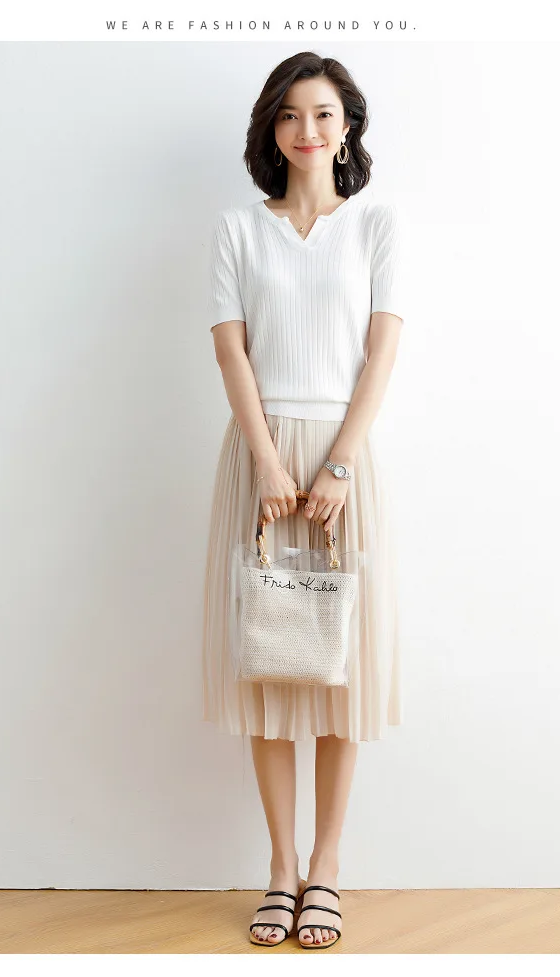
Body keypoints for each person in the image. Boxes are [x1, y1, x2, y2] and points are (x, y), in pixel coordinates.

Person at [202, 51, 404, 950]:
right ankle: (280, 868)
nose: (307, 129)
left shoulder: (377, 226)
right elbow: (231, 351)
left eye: (322, 113)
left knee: (338, 667)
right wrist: (266, 463)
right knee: (270, 661)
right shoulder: (238, 230)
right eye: (289, 114)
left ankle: (327, 865)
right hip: (262, 461)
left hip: (341, 461)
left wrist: (339, 464)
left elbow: (382, 352)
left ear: (347, 125)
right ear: (271, 130)